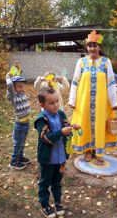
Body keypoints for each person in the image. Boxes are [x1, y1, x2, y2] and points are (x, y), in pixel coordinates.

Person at [68, 30, 117, 165]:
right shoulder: (81, 62)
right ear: (87, 48)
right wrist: (72, 100)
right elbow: (75, 81)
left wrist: (114, 101)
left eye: (95, 45)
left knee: (100, 124)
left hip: (101, 102)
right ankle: (88, 151)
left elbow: (111, 82)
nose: (92, 48)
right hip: (83, 101)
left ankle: (99, 150)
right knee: (84, 123)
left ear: (99, 47)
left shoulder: (106, 62)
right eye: (90, 46)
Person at [34, 87, 79, 218]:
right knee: (44, 183)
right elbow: (47, 138)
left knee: (57, 182)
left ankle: (58, 202)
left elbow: (66, 126)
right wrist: (61, 132)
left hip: (60, 158)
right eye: (51, 103)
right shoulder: (41, 120)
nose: (55, 105)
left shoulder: (60, 114)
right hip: (47, 159)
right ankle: (44, 204)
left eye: (57, 101)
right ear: (42, 104)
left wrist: (72, 127)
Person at [6, 73, 31, 170]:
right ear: (13, 88)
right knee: (18, 143)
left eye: (22, 86)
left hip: (26, 123)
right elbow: (9, 86)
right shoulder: (13, 96)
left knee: (22, 142)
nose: (21, 88)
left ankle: (20, 158)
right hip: (20, 124)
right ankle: (14, 162)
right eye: (19, 86)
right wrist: (8, 78)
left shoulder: (21, 94)